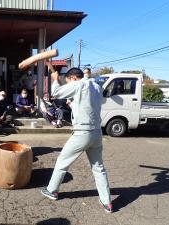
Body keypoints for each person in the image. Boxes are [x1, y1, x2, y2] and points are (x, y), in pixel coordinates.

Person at [41, 66, 113, 213]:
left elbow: (56, 92)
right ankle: (107, 202)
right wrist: (73, 102)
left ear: (73, 78)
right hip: (97, 133)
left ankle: (52, 190)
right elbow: (90, 104)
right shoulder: (97, 87)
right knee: (98, 168)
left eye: (68, 82)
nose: (69, 85)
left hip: (82, 133)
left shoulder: (79, 84)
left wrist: (56, 79)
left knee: (62, 160)